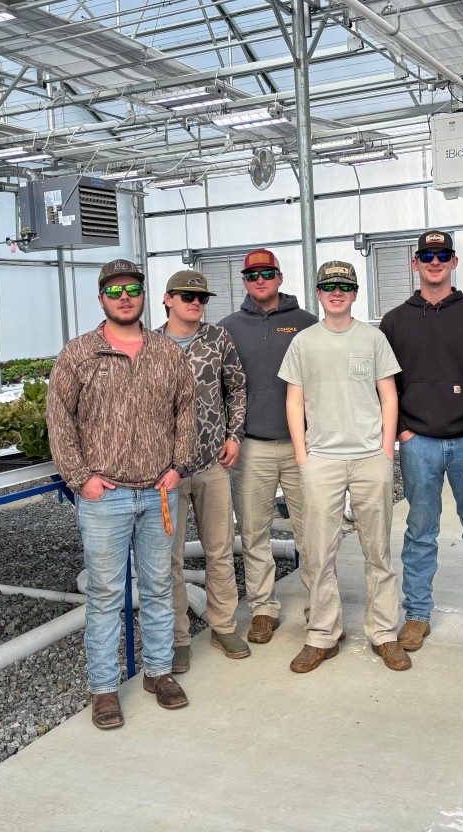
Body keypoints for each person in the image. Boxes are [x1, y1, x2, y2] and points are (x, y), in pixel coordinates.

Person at [46, 259, 197, 731]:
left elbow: (186, 411)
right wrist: (80, 477)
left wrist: (177, 467)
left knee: (157, 587)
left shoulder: (167, 353)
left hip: (157, 492)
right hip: (104, 496)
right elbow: (59, 419)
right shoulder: (79, 354)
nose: (124, 296)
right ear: (101, 300)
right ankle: (104, 688)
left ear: (144, 295)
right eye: (115, 291)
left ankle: (158, 673)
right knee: (107, 593)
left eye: (133, 288)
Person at [279, 260, 408, 673]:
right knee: (318, 551)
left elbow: (388, 395)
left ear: (355, 293)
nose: (337, 292)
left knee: (379, 550)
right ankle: (322, 633)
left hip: (371, 458)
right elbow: (294, 401)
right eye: (329, 286)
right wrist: (304, 457)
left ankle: (384, 632)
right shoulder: (303, 342)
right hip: (322, 460)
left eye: (345, 286)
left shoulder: (372, 338)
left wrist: (386, 453)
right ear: (318, 292)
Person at [379, 230, 463, 656]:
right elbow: (386, 384)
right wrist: (401, 433)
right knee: (419, 533)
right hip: (419, 444)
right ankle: (416, 616)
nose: (435, 262)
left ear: (453, 262)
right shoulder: (395, 321)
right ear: (415, 263)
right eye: (427, 256)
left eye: (443, 255)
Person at [218, 248, 317, 645]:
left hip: (302, 446)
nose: (260, 280)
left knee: (312, 530)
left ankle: (319, 604)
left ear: (280, 277)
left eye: (267, 273)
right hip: (252, 447)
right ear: (244, 281)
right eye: (252, 275)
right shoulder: (227, 328)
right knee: (254, 531)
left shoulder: (307, 324)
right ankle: (263, 608)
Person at [157, 269, 250, 672]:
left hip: (213, 463)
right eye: (185, 296)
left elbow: (237, 388)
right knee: (169, 559)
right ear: (168, 299)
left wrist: (234, 435)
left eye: (201, 298)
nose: (194, 303)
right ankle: (178, 639)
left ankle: (223, 625)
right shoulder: (149, 345)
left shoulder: (217, 339)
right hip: (165, 472)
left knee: (220, 550)